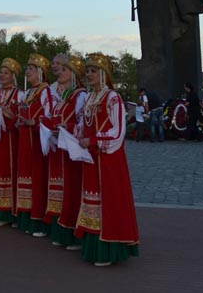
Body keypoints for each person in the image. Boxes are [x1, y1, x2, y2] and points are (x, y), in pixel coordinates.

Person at [75, 52, 140, 266]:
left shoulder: (112, 97)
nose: (89, 75)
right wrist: (77, 135)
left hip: (108, 158)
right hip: (91, 158)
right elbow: (84, 125)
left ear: (104, 74)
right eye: (88, 72)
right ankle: (93, 247)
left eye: (94, 71)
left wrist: (94, 140)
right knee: (92, 198)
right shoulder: (89, 98)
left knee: (109, 200)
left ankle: (110, 248)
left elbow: (118, 131)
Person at [45, 55, 88, 249]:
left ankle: (73, 233)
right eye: (60, 70)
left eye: (64, 70)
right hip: (60, 149)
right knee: (61, 190)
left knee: (72, 189)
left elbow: (82, 123)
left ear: (73, 74)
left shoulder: (80, 95)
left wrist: (67, 126)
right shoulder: (63, 95)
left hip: (71, 151)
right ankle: (61, 230)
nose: (60, 73)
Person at [15, 54, 58, 237]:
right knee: (25, 175)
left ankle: (38, 220)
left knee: (38, 177)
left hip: (37, 142)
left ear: (40, 72)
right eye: (27, 69)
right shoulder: (29, 92)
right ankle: (25, 218)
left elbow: (51, 117)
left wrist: (35, 122)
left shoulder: (47, 92)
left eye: (30, 69)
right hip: (25, 140)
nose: (27, 72)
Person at [0, 57, 23, 226]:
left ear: (13, 76)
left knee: (9, 171)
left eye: (6, 73)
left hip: (10, 140)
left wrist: (11, 116)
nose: (2, 75)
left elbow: (20, 119)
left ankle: (9, 212)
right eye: (0, 72)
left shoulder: (20, 94)